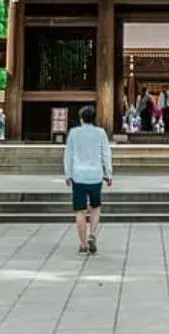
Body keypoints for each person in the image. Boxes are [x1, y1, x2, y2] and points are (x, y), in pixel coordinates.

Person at [63, 104, 113, 255]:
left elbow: (68, 154)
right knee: (96, 207)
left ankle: (83, 243)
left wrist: (67, 174)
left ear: (81, 118)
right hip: (95, 175)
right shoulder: (100, 133)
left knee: (80, 210)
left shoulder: (73, 133)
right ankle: (93, 234)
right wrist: (108, 173)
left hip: (78, 175)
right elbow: (106, 153)